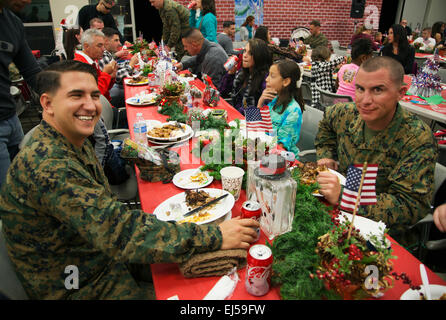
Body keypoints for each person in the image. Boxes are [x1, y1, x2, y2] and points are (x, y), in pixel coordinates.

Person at [0, 60, 259, 299]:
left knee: (203, 263)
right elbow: (119, 233)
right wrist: (213, 235)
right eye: (76, 95)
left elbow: (111, 223)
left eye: (93, 95)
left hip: (94, 253)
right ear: (47, 104)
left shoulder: (67, 140)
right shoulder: (50, 164)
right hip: (78, 282)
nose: (90, 105)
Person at [315, 56, 437, 246]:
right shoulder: (345, 113)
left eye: (377, 90)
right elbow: (326, 124)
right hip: (336, 219)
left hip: (380, 238)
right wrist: (326, 155)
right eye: (360, 89)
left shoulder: (416, 138)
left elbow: (410, 206)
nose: (365, 100)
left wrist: (344, 196)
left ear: (401, 93)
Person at [0, 0, 41, 187]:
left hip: (12, 118)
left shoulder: (13, 23)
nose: (28, 1)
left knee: (22, 186)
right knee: (6, 193)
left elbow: (32, 71)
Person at [257, 59, 305, 156]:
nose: (266, 79)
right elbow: (254, 125)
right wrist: (260, 102)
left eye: (272, 76)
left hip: (282, 160)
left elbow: (281, 147)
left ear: (286, 81)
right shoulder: (275, 101)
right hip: (265, 150)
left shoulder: (293, 110)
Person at [218, 38, 272, 114]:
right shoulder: (241, 73)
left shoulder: (266, 80)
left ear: (259, 57)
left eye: (250, 53)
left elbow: (264, 112)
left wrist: (236, 112)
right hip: (236, 114)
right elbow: (222, 92)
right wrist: (231, 73)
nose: (245, 56)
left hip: (251, 120)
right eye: (244, 51)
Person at [99, 27, 138, 110]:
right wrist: (131, 65)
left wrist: (130, 62)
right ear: (106, 41)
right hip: (108, 93)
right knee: (135, 93)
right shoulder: (102, 55)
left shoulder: (107, 53)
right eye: (116, 40)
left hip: (108, 91)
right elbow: (118, 77)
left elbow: (117, 67)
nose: (119, 44)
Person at [74, 28, 117, 103]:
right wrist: (105, 74)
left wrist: (111, 77)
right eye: (99, 46)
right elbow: (95, 95)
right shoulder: (80, 65)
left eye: (103, 45)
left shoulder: (93, 60)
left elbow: (105, 89)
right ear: (86, 46)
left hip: (105, 103)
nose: (103, 49)